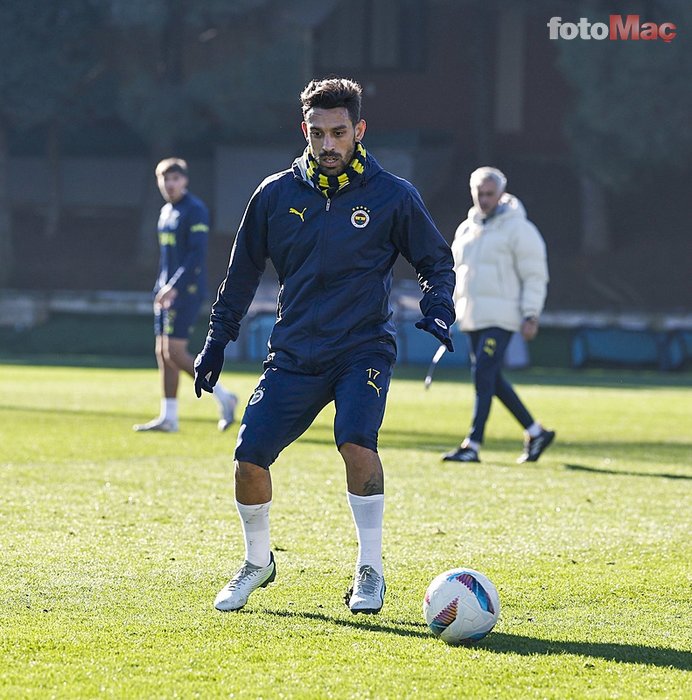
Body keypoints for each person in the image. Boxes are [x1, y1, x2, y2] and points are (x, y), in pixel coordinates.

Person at [193, 77, 455, 614]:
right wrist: (217, 341)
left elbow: (435, 259)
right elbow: (241, 275)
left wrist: (438, 306)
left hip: (363, 348)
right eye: (318, 133)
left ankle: (370, 570)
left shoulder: (392, 195)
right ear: (304, 132)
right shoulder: (274, 195)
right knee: (248, 459)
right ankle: (257, 562)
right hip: (293, 353)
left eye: (339, 132)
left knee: (356, 443)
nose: (329, 144)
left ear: (359, 130)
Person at [442, 166, 555, 464]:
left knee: (483, 374)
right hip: (473, 316)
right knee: (489, 377)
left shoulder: (519, 228)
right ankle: (536, 431)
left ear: (501, 194)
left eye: (490, 193)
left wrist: (531, 314)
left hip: (502, 316)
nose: (484, 199)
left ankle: (473, 444)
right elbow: (455, 274)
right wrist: (447, 309)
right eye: (479, 193)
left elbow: (534, 275)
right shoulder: (466, 229)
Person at [134, 158, 237, 433]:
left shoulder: (195, 210)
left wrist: (175, 286)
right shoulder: (166, 211)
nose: (170, 184)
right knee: (162, 352)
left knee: (175, 352)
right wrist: (161, 286)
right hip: (167, 292)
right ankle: (169, 417)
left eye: (175, 178)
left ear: (185, 181)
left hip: (186, 291)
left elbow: (196, 255)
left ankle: (223, 396)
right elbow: (167, 258)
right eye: (164, 179)